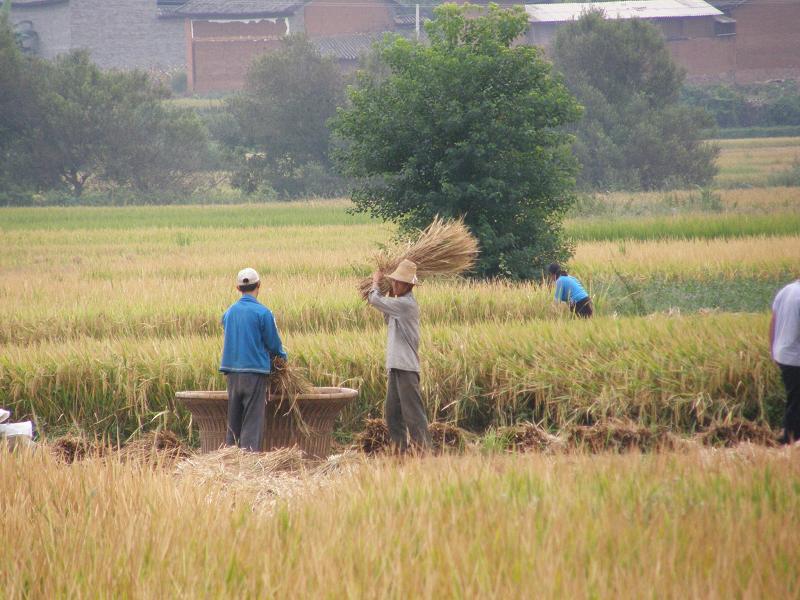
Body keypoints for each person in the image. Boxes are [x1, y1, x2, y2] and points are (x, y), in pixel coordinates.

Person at [220, 267, 287, 451]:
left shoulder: (229, 313)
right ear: (259, 286)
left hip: (232, 373)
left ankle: (230, 458)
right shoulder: (264, 313)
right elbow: (273, 343)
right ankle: (249, 463)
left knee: (233, 420)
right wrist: (282, 358)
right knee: (252, 420)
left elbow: (227, 329)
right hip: (254, 373)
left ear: (237, 288)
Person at [367, 259, 431, 452]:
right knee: (393, 414)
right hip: (395, 367)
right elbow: (387, 316)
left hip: (406, 368)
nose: (395, 284)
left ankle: (424, 454)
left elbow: (374, 300)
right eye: (393, 281)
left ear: (409, 285)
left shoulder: (406, 305)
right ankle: (398, 454)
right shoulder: (398, 304)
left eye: (398, 282)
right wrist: (388, 291)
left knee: (413, 415)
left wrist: (376, 282)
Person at [770, 278, 800, 445]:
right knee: (796, 400)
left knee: (793, 398)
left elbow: (773, 322)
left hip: (782, 353)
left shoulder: (785, 291)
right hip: (796, 357)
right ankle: (790, 439)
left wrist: (772, 349)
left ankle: (788, 435)